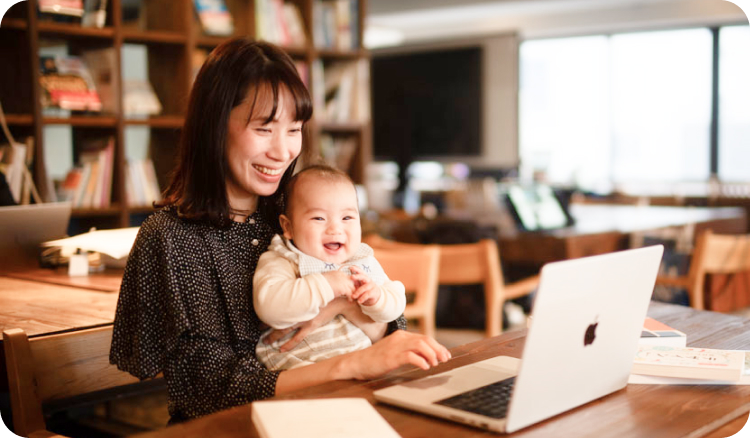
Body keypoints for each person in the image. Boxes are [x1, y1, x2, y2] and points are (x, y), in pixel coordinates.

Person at [109, 37, 451, 424]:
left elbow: (387, 329)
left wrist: (340, 305)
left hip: (335, 411)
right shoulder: (173, 237)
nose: (283, 151)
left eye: (294, 129)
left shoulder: (297, 213)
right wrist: (350, 363)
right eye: (265, 128)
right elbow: (208, 391)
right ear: (215, 125)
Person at [254, 165, 407, 370]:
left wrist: (377, 298)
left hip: (360, 366)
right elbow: (270, 309)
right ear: (288, 227)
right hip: (301, 372)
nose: (335, 229)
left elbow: (396, 305)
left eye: (347, 218)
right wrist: (327, 283)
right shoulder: (284, 259)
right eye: (319, 218)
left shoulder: (361, 261)